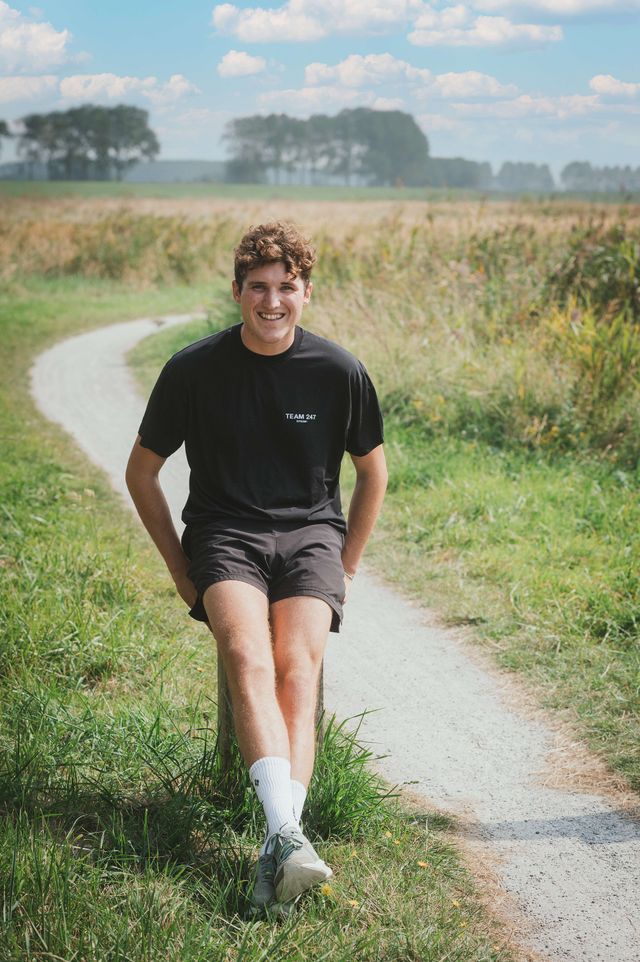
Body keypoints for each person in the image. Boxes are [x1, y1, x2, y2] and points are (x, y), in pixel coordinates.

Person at [125, 221, 387, 915]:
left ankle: (280, 842)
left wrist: (347, 565)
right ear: (236, 291)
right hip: (225, 535)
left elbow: (373, 473)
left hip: (310, 537)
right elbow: (142, 473)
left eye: (286, 288)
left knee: (298, 666)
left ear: (307, 292)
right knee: (247, 655)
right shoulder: (193, 369)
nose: (273, 303)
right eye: (259, 288)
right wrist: (183, 572)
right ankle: (287, 837)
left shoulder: (338, 371)